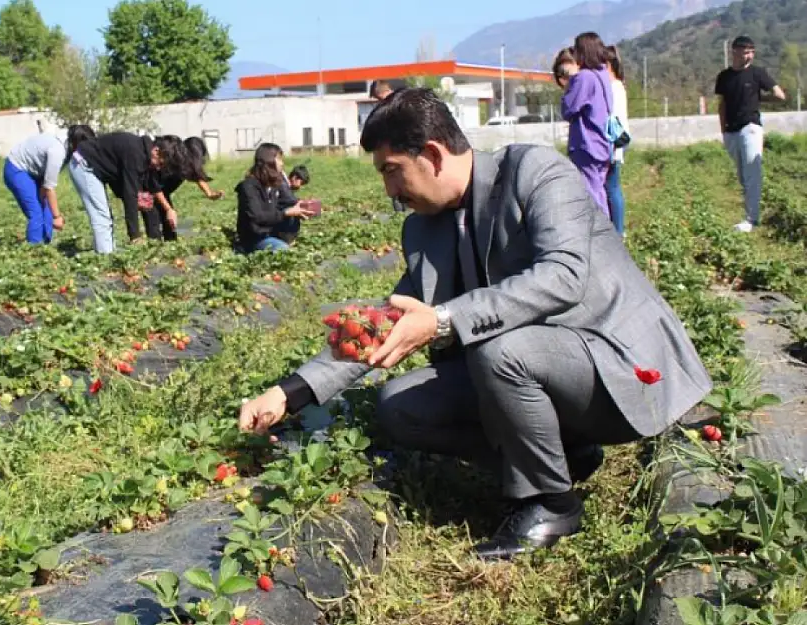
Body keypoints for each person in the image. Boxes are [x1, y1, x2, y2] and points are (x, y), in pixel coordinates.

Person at [237, 88, 712, 561]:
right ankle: (561, 458)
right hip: (536, 370)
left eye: (391, 171)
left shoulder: (537, 173)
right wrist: (289, 392)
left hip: (616, 367)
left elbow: (563, 276)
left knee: (498, 351)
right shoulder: (426, 226)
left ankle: (551, 503)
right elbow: (387, 322)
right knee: (400, 406)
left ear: (432, 154)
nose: (389, 191)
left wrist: (444, 320)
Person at [69, 132, 189, 253]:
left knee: (105, 217)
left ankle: (106, 252)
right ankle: (106, 261)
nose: (159, 168)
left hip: (95, 167)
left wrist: (169, 209)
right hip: (84, 164)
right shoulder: (136, 154)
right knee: (102, 216)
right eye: (161, 163)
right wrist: (135, 236)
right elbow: (130, 196)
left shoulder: (145, 152)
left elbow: (153, 184)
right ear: (156, 151)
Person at [715, 35, 786, 233]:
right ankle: (750, 215)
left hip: (751, 127)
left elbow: (780, 95)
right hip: (731, 131)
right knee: (742, 175)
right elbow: (722, 105)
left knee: (752, 173)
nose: (749, 55)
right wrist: (723, 132)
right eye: (746, 51)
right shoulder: (724, 77)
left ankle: (751, 219)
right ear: (734, 51)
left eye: (752, 51)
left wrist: (758, 99)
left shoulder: (758, 73)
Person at [561, 32, 613, 217]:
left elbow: (568, 108)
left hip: (587, 144)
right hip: (603, 143)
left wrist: (571, 81)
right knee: (598, 190)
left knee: (590, 194)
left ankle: (599, 236)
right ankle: (606, 234)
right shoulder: (603, 74)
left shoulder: (584, 78)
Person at [235, 143, 316, 253]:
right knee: (283, 251)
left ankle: (282, 240)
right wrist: (286, 213)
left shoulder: (271, 186)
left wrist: (299, 208)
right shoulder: (249, 186)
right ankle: (243, 249)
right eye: (279, 159)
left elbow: (282, 205)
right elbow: (258, 217)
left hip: (269, 232)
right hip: (254, 237)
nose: (282, 163)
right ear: (268, 161)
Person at [146, 136, 226, 242]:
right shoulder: (172, 160)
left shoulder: (188, 163)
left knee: (170, 227)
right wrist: (168, 209)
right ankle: (153, 248)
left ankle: (171, 248)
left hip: (163, 194)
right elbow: (154, 187)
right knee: (154, 228)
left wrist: (209, 193)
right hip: (149, 193)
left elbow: (197, 176)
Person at [3, 133, 69, 245]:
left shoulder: (68, 148)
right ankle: (35, 250)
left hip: (35, 171)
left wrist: (43, 197)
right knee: (36, 212)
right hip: (17, 168)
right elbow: (49, 187)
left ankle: (46, 243)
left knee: (46, 208)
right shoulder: (57, 151)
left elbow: (45, 186)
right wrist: (57, 217)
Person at [370, 82, 408, 214]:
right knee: (396, 188)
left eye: (379, 98)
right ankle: (401, 217)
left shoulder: (400, 107)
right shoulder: (390, 108)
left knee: (404, 186)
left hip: (403, 155)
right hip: (393, 157)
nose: (379, 102)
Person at [605, 45, 629, 236]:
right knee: (612, 187)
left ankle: (618, 231)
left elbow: (614, 118)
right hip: (615, 141)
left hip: (613, 141)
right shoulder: (618, 85)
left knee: (612, 187)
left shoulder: (614, 87)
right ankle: (617, 229)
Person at [275, 165, 313, 245]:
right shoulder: (282, 184)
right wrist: (306, 204)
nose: (300, 187)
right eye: (301, 183)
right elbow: (290, 200)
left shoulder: (285, 184)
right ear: (295, 177)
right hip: (281, 228)